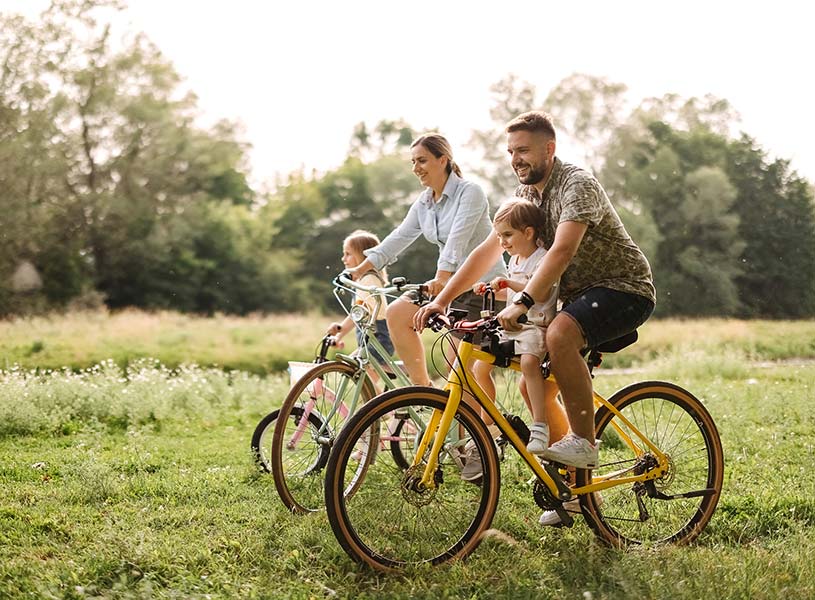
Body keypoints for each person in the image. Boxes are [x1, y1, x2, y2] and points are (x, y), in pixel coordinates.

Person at [414, 111, 656, 525]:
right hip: (575, 296)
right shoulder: (525, 196)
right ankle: (571, 492)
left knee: (561, 334)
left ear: (550, 148)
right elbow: (489, 251)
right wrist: (444, 298)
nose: (516, 159)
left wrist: (523, 301)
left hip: (623, 288)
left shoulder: (576, 184)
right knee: (536, 389)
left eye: (523, 150)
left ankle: (584, 442)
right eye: (511, 152)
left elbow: (561, 251)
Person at [346, 133, 506, 389]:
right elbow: (400, 236)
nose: (415, 168)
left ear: (443, 160)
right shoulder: (424, 203)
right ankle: (423, 391)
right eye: (413, 162)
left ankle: (482, 427)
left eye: (421, 160)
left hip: (482, 289)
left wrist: (442, 277)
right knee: (398, 313)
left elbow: (457, 241)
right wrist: (361, 267)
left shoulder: (470, 192)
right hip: (449, 287)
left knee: (458, 368)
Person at [472, 197, 568, 455]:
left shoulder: (541, 259)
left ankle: (540, 426)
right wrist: (492, 289)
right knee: (479, 364)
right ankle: (487, 423)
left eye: (507, 235)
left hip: (537, 326)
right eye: (499, 235)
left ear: (528, 232)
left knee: (528, 365)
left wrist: (507, 283)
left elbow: (537, 291)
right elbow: (514, 297)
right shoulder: (514, 261)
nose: (502, 242)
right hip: (516, 324)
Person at [327, 230, 394, 374]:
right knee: (363, 381)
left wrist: (339, 333)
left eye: (348, 254)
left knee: (353, 372)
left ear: (363, 255)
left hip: (378, 340)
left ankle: (385, 397)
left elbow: (363, 313)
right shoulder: (363, 281)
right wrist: (338, 334)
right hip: (372, 340)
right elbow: (355, 315)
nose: (343, 259)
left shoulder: (368, 280)